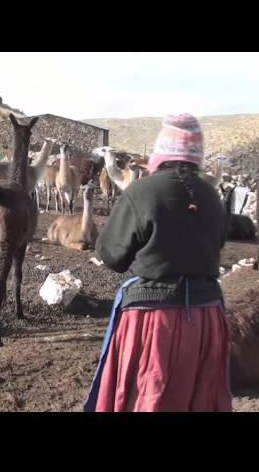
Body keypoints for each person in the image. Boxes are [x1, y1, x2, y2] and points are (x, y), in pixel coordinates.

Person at [84, 113, 232, 412]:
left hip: (154, 321)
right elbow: (217, 246)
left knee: (150, 396)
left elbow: (113, 256)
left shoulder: (142, 191)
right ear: (197, 153)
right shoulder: (211, 196)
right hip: (206, 318)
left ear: (161, 150)